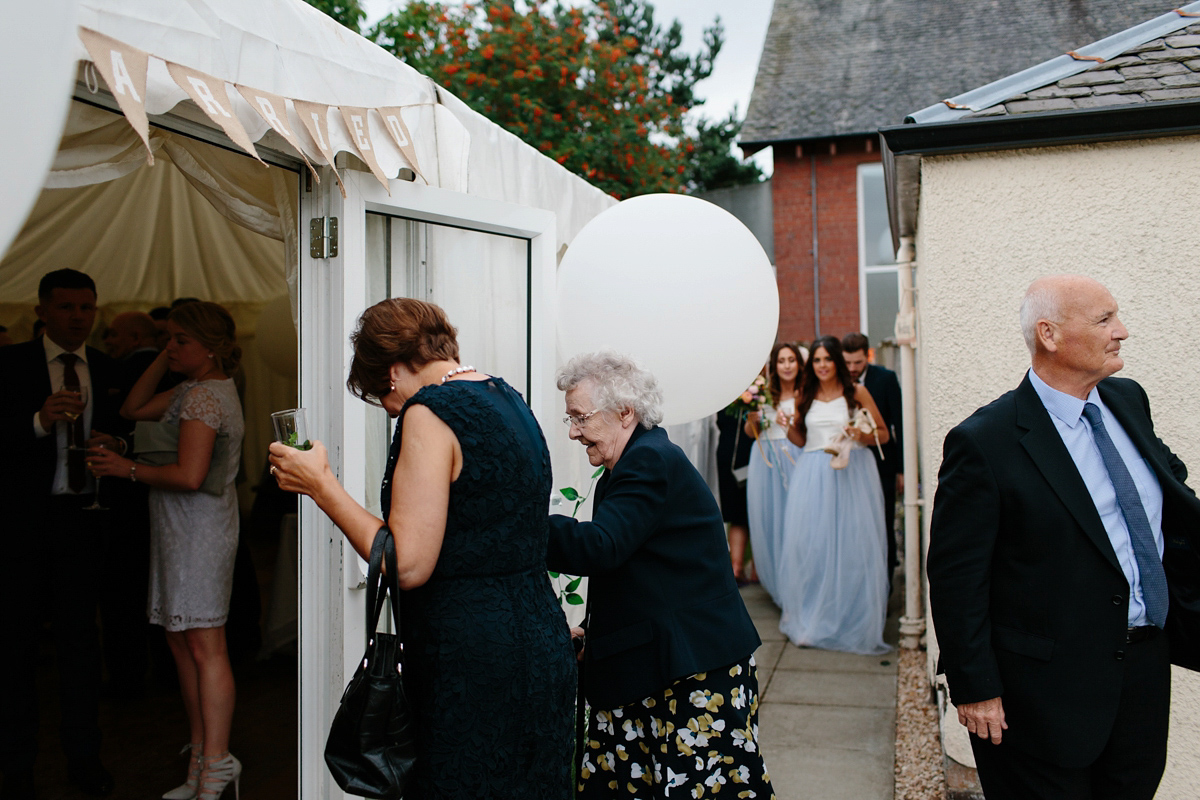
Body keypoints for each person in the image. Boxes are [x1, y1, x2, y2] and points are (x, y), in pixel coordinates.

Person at [268, 297, 575, 798]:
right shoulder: (509, 399)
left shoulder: (430, 411)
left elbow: (406, 564)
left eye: (378, 395)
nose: (389, 409)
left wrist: (321, 485)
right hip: (540, 638)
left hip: (471, 655)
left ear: (391, 372)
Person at [926, 275, 1200, 799]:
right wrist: (976, 687)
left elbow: (1167, 495)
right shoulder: (984, 442)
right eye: (1104, 320)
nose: (1122, 331)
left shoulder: (1127, 400)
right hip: (1042, 695)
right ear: (1049, 335)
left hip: (1143, 671)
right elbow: (957, 577)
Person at [548, 351, 774, 798]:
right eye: (569, 419)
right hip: (664, 665)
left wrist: (515, 523)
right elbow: (641, 572)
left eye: (580, 417)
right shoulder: (634, 459)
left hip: (692, 671)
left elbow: (604, 547)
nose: (573, 432)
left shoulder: (648, 460)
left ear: (625, 411)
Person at [87, 301, 245, 800]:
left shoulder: (203, 399)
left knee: (204, 645)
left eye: (180, 341)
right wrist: (163, 355)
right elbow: (131, 410)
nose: (170, 347)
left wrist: (124, 469)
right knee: (182, 642)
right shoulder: (195, 388)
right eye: (168, 338)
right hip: (182, 528)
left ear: (213, 348)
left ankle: (217, 763)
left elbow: (189, 476)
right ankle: (201, 754)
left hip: (199, 528)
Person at [0, 269, 121, 800]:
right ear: (42, 311)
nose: (78, 317)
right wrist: (36, 422)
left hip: (83, 522)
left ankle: (84, 757)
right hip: (21, 525)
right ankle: (16, 765)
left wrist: (112, 439)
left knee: (80, 647)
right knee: (15, 649)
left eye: (87, 307)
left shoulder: (107, 368)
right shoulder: (9, 365)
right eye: (68, 307)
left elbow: (127, 430)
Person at [776, 335, 891, 654]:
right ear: (810, 365)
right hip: (812, 474)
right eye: (816, 360)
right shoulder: (805, 394)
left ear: (836, 361)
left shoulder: (856, 392)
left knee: (852, 546)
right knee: (813, 547)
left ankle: (850, 620)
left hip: (852, 471)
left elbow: (882, 433)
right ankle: (813, 619)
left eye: (827, 359)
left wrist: (860, 434)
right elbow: (800, 440)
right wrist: (786, 426)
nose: (822, 365)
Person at [743, 342, 805, 603]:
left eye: (791, 360)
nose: (787, 366)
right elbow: (749, 432)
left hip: (794, 457)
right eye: (782, 361)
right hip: (764, 459)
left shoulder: (804, 393)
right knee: (769, 520)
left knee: (796, 521)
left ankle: (798, 580)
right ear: (774, 365)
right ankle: (778, 583)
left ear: (799, 364)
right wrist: (753, 421)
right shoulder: (763, 393)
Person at [842, 332, 904, 591]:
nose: (852, 369)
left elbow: (899, 423)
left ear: (867, 356)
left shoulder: (886, 379)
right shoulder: (837, 382)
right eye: (847, 363)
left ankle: (885, 588)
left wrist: (902, 470)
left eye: (857, 363)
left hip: (882, 466)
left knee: (883, 524)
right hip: (847, 466)